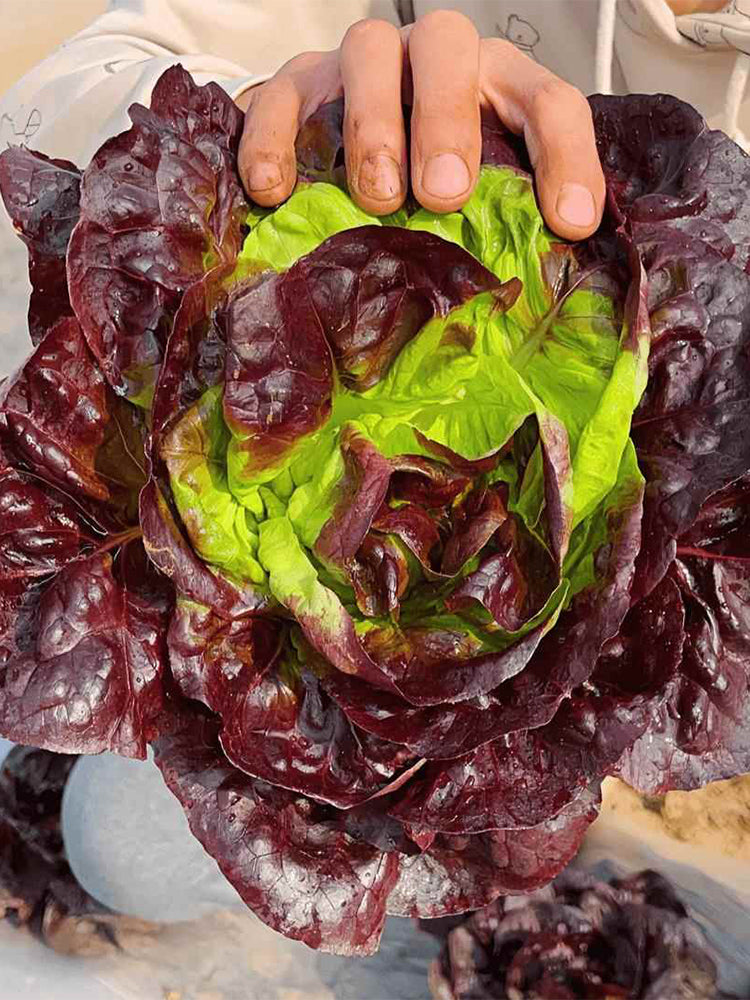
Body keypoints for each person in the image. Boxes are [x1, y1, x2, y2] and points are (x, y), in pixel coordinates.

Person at [0, 0, 745, 926]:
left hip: (530, 701)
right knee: (118, 852)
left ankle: (534, 796)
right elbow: (51, 98)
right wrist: (259, 126)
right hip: (248, 592)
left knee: (133, 850)